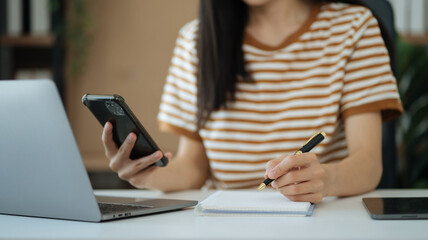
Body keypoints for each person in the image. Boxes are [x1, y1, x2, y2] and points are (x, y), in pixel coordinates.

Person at [102, 0, 403, 203]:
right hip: (225, 226)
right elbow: (193, 168)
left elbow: (368, 164)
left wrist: (326, 178)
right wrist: (148, 174)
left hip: (321, 220)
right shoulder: (196, 41)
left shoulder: (354, 27)